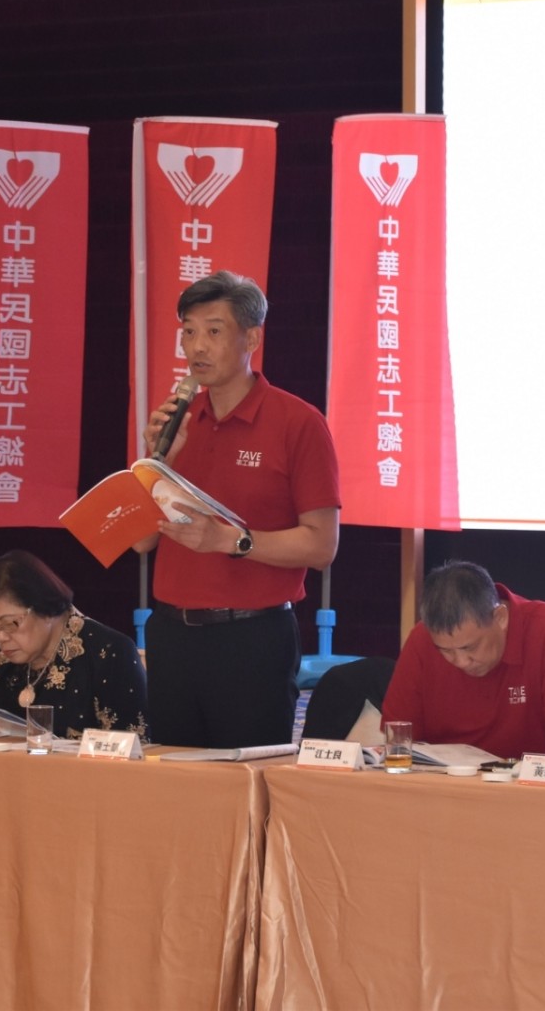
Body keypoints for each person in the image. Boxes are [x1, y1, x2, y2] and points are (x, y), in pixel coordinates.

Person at [136, 270, 340, 748]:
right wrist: (157, 461)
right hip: (170, 638)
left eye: (213, 331)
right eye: (188, 331)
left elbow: (322, 545)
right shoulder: (177, 421)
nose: (196, 347)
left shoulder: (298, 423)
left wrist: (231, 541)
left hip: (251, 640)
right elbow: (140, 540)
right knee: (174, 780)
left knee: (248, 780)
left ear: (252, 339)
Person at [380, 560, 545, 758]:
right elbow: (397, 744)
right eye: (445, 651)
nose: (461, 661)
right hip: (444, 785)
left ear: (500, 617)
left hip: (533, 786)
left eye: (469, 647)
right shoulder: (421, 639)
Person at [0, 550, 148, 740]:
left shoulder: (109, 653)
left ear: (45, 610)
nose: (1, 637)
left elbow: (132, 746)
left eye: (10, 623)